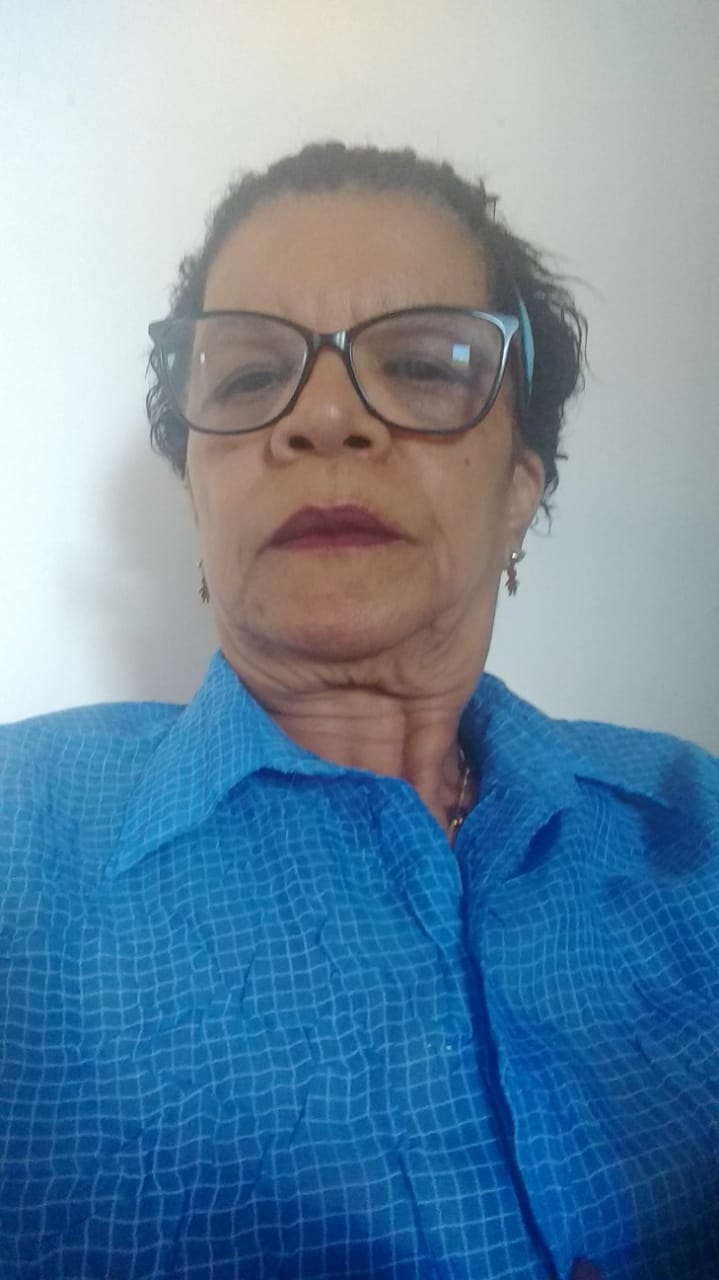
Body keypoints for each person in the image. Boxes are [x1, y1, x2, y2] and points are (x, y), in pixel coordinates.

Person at [1, 142, 717, 1280]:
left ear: (519, 488)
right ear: (196, 491)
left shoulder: (692, 824)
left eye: (422, 365)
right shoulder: (18, 838)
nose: (326, 419)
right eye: (248, 378)